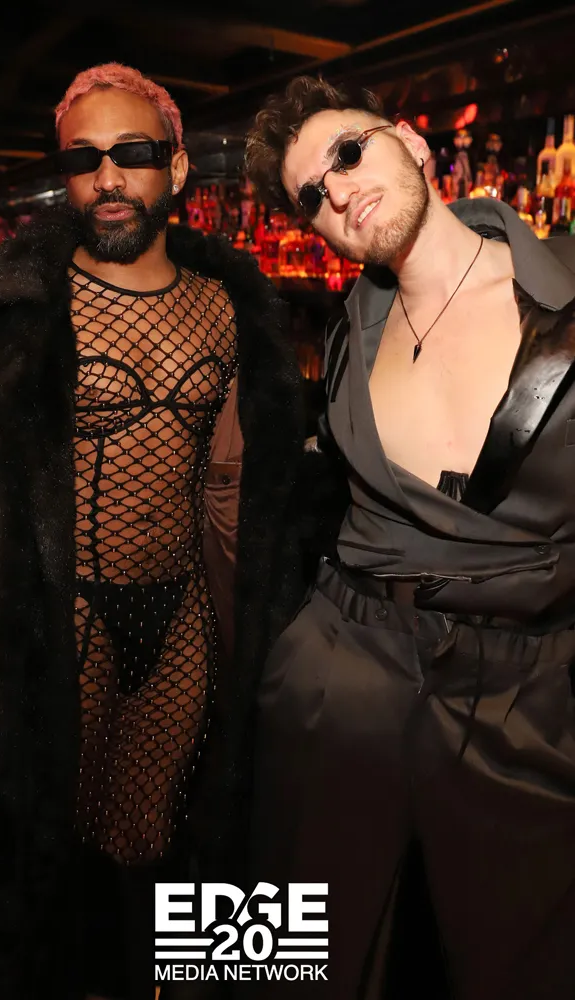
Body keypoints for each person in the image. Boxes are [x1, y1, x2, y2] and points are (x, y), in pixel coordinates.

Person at [0, 63, 306, 1000]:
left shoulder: (239, 312)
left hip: (186, 630)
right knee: (40, 882)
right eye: (83, 160)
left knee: (160, 865)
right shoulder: (1, 321)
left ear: (176, 166)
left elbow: (263, 503)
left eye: (131, 152)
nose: (108, 177)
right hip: (52, 635)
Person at [244, 75, 575, 1000]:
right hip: (340, 673)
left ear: (413, 143)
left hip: (525, 695)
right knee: (282, 957)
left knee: (527, 964)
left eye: (348, 153)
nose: (339, 192)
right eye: (313, 195)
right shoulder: (348, 336)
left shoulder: (562, 291)